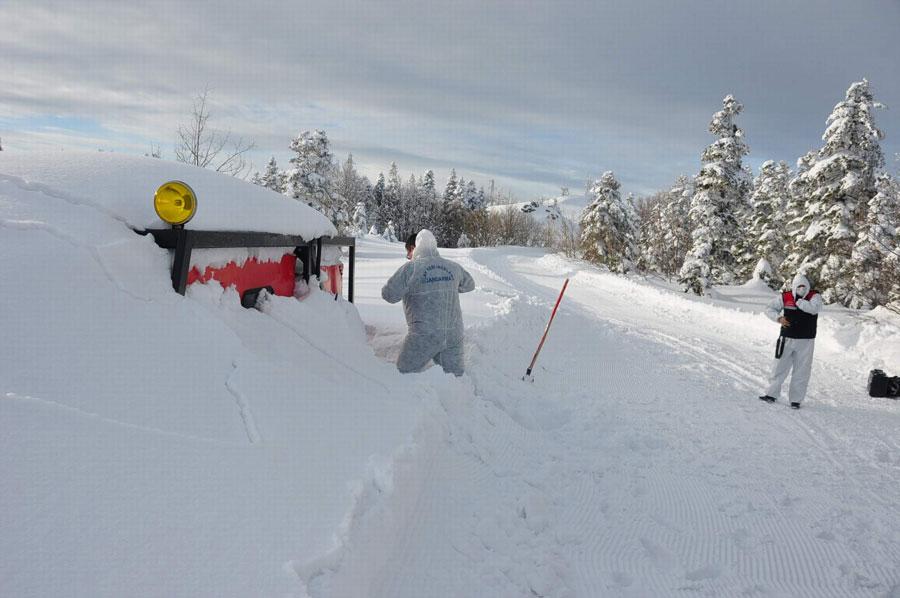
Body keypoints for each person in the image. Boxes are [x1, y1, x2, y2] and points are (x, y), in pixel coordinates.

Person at [382, 229, 475, 376]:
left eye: (408, 252)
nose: (408, 256)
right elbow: (470, 285)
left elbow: (388, 294)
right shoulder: (453, 267)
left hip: (424, 336)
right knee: (455, 380)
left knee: (402, 376)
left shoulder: (411, 269)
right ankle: (459, 398)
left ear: (414, 248)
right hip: (453, 335)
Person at [759, 273, 823, 409]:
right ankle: (771, 394)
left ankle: (796, 400)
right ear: (794, 286)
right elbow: (769, 308)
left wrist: (800, 301)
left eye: (803, 286)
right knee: (778, 368)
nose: (801, 288)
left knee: (802, 371)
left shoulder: (814, 296)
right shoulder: (785, 296)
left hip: (806, 341)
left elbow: (814, 309)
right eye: (798, 286)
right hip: (786, 338)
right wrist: (779, 318)